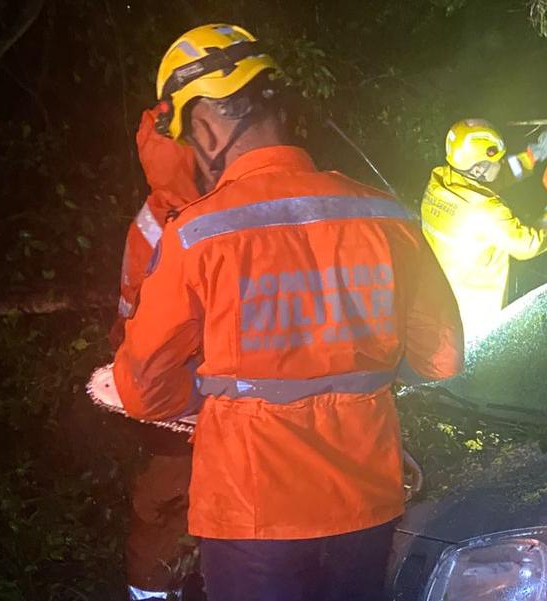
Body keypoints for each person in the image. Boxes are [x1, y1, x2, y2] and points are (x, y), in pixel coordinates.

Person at [113, 23, 463, 601]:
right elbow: (443, 358)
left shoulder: (199, 234)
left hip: (252, 514)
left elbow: (143, 389)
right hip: (366, 502)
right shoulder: (388, 216)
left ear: (202, 126)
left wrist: (206, 393)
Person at [112, 105, 202, 601]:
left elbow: (129, 302)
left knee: (159, 504)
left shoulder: (150, 219)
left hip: (162, 390)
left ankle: (149, 593)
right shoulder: (238, 207)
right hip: (230, 390)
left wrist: (123, 356)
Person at [421, 119, 547, 339]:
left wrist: (533, 155)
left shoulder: (440, 181)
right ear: (479, 168)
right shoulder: (485, 211)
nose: (501, 164)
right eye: (497, 161)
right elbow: (527, 245)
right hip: (474, 313)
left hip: (438, 301)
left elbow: (490, 180)